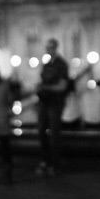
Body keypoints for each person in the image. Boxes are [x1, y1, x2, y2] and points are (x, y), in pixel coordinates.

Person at [35, 38, 69, 177]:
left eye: (51, 47)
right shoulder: (47, 64)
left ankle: (55, 163)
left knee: (54, 133)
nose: (48, 50)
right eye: (47, 47)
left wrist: (44, 87)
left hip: (55, 102)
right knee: (42, 131)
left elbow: (62, 86)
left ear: (55, 48)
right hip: (44, 101)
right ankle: (46, 160)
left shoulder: (61, 64)